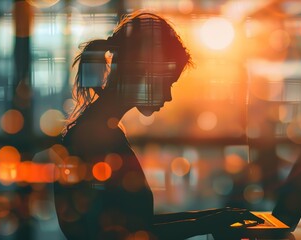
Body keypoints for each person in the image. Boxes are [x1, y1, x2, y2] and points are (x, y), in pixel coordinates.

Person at [54, 11, 263, 240]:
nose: (169, 96)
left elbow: (137, 222)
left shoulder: (98, 129)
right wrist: (206, 224)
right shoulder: (99, 137)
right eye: (167, 83)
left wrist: (214, 217)